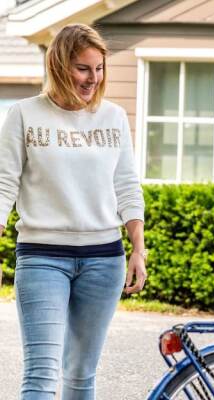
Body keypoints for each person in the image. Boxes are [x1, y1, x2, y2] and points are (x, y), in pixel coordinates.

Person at [0, 24, 146, 399]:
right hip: (42, 257)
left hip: (104, 260)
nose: (93, 78)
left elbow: (127, 185)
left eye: (99, 69)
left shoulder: (113, 117)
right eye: (83, 68)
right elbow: (4, 185)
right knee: (41, 375)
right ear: (60, 65)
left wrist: (138, 249)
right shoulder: (24, 115)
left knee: (81, 375)